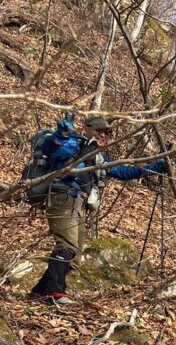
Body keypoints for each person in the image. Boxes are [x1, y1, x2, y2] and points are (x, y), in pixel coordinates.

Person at [27, 115, 166, 304]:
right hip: (63, 199)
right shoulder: (74, 144)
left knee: (74, 257)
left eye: (107, 132)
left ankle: (38, 292)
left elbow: (123, 171)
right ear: (87, 129)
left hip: (79, 206)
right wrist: (60, 135)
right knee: (67, 246)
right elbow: (52, 149)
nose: (104, 135)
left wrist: (155, 167)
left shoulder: (98, 158)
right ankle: (54, 292)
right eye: (99, 130)